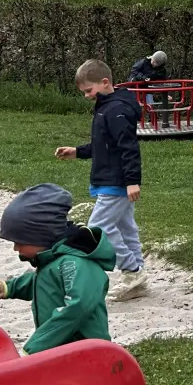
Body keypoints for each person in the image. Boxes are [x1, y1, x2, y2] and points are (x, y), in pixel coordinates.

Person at [0, 183, 115, 355]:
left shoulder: (76, 263)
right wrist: (8, 288)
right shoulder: (54, 259)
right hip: (61, 350)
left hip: (86, 353)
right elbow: (44, 283)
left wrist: (35, 346)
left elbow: (77, 308)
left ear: (41, 236)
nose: (16, 248)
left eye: (20, 242)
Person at [56, 60, 147, 301]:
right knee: (126, 227)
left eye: (89, 90)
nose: (87, 96)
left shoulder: (117, 110)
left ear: (105, 82)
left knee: (100, 228)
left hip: (116, 182)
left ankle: (131, 271)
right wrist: (78, 151)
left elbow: (128, 147)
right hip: (111, 179)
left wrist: (132, 181)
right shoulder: (106, 105)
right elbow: (103, 145)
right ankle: (137, 274)